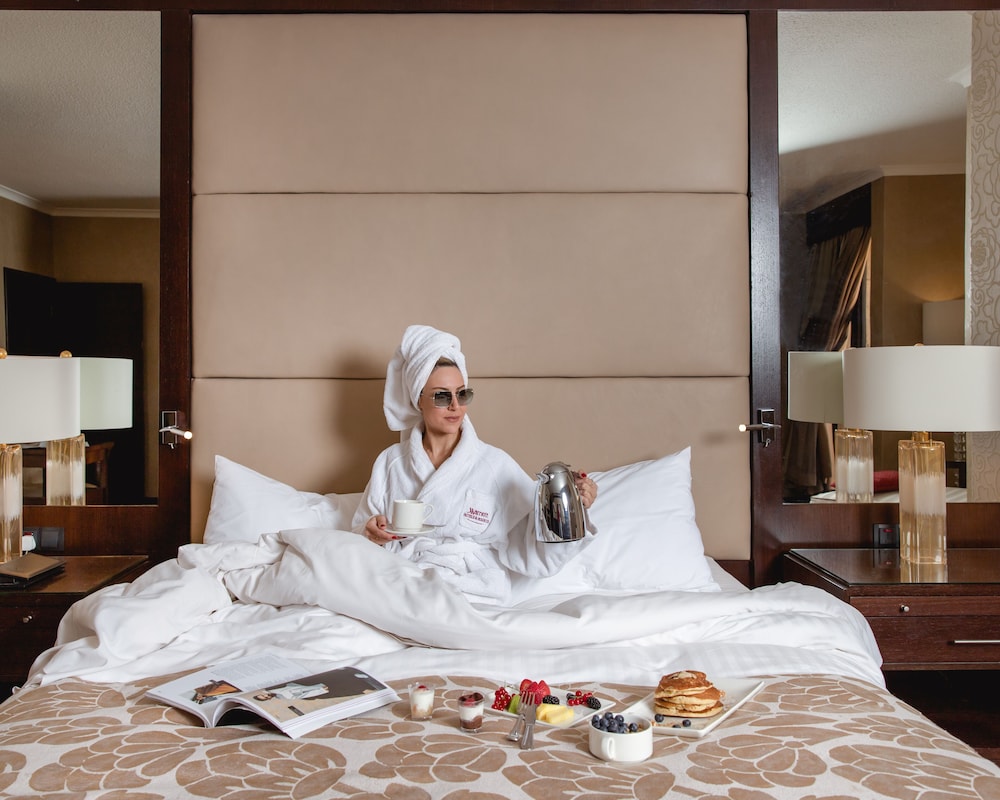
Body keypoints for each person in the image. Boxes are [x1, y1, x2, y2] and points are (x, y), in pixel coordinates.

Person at [352, 324, 598, 604]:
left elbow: (534, 550)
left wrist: (573, 507)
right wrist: (371, 532)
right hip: (406, 579)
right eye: (442, 396)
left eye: (463, 394)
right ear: (418, 399)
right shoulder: (391, 462)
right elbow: (361, 532)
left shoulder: (495, 465)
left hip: (474, 589)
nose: (455, 406)